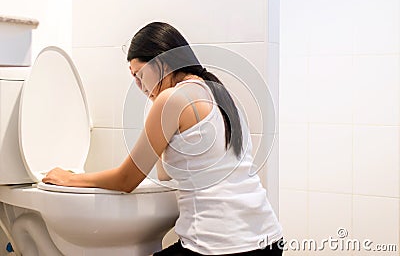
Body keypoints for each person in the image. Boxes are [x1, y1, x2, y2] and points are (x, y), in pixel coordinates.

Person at [43, 22, 284, 255]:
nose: (138, 85)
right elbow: (165, 174)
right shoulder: (220, 92)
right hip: (268, 238)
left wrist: (69, 178)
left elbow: (126, 180)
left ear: (161, 63)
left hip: (218, 247)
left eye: (139, 74)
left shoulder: (173, 99)